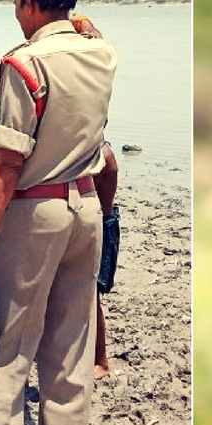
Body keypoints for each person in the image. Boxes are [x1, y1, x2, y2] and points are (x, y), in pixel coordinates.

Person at [0, 0, 118, 425]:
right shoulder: (102, 53)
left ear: (27, 3)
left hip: (36, 212)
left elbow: (6, 163)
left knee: (3, 348)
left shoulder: (25, 62)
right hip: (86, 207)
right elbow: (90, 35)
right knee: (70, 351)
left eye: (17, 5)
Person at [93, 143, 120, 380]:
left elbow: (102, 208)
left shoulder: (103, 154)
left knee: (92, 297)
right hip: (90, 223)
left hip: (100, 225)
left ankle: (102, 361)